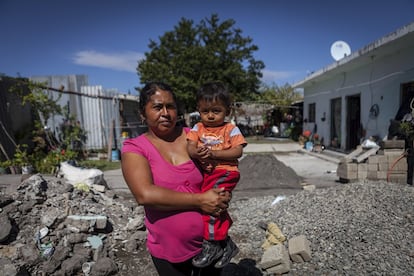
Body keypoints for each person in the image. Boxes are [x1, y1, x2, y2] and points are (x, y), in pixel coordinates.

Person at [121, 82, 231, 276]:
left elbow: (221, 168)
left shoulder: (194, 136)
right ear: (142, 114)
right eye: (157, 107)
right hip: (169, 251)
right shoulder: (135, 148)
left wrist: (222, 193)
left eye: (170, 106)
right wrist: (200, 200)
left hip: (209, 247)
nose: (165, 112)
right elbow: (145, 195)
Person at [187, 82, 247, 268]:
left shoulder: (230, 129)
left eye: (216, 111)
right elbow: (190, 146)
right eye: (205, 111)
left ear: (227, 111)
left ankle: (212, 244)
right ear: (199, 110)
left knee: (211, 207)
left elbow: (237, 151)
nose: (210, 115)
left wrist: (214, 154)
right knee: (214, 206)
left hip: (226, 172)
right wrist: (196, 153)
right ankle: (226, 244)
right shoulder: (198, 128)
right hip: (209, 174)